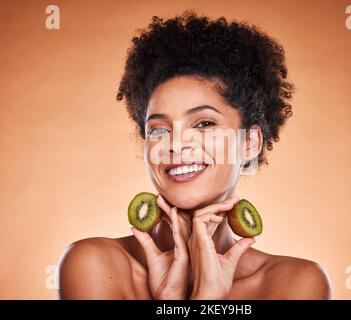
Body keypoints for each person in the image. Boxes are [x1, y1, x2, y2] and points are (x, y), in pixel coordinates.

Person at [56, 10, 332, 300]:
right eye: (159, 130)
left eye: (203, 124)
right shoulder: (94, 265)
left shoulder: (294, 285)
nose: (176, 145)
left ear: (250, 142)